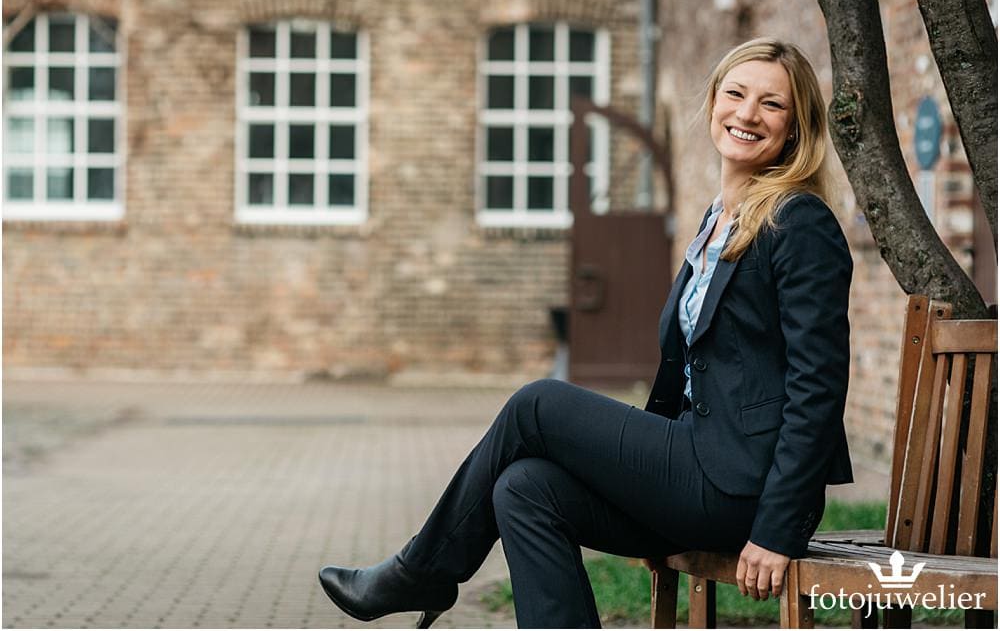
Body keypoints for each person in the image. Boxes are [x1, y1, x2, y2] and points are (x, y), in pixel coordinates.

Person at [317, 37, 854, 628]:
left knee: (537, 404)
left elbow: (819, 386)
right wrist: (642, 482)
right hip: (694, 468)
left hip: (742, 488)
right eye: (736, 94)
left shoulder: (798, 222)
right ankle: (431, 573)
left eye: (772, 104)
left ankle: (421, 570)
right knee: (524, 487)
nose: (747, 113)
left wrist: (777, 527)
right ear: (713, 103)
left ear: (796, 129)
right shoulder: (716, 221)